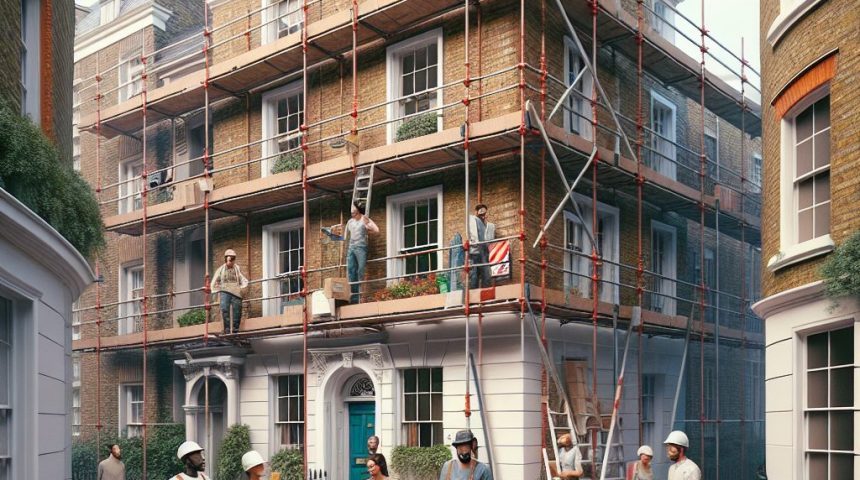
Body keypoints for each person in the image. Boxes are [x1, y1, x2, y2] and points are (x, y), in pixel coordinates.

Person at [338, 201, 379, 304]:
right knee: (351, 271)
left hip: (361, 248)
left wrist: (368, 229)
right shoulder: (350, 222)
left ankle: (362, 297)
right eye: (352, 213)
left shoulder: (364, 219)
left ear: (358, 211)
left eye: (354, 212)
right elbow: (344, 237)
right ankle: (354, 298)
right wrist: (334, 234)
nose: (353, 214)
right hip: (351, 248)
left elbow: (376, 230)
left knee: (360, 271)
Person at [210, 248, 249, 333]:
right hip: (225, 291)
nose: (230, 262)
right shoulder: (221, 269)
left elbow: (242, 278)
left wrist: (242, 287)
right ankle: (227, 328)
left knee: (237, 310)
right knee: (224, 309)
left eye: (232, 259)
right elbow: (215, 280)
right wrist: (216, 289)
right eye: (229, 260)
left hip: (236, 291)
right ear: (226, 259)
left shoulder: (237, 268)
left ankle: (235, 328)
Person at [468, 204, 495, 289]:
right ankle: (473, 295)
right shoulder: (472, 219)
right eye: (481, 214)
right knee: (474, 275)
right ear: (476, 212)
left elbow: (489, 239)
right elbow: (473, 235)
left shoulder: (486, 225)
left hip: (484, 252)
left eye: (484, 214)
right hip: (475, 251)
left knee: (486, 274)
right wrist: (475, 244)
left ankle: (485, 294)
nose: (483, 217)